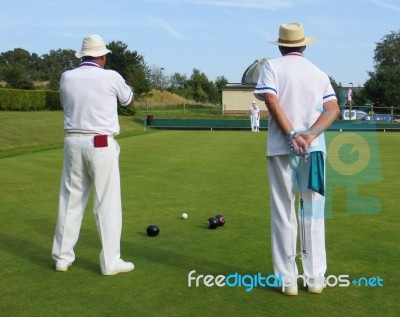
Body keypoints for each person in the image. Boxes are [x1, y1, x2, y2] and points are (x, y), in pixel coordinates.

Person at [254, 22, 340, 295]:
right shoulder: (318, 72)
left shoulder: (272, 67)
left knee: (284, 212)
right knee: (312, 213)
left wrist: (292, 134)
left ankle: (287, 280)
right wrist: (310, 135)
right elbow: (333, 108)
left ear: (281, 45)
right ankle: (315, 280)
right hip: (313, 150)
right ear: (303, 45)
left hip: (282, 148)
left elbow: (270, 99)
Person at [51, 34, 135, 276]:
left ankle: (62, 258)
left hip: (72, 141)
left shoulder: (67, 77)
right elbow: (128, 100)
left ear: (82, 55)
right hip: (100, 142)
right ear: (103, 56)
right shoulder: (111, 76)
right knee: (106, 203)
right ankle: (110, 263)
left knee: (70, 200)